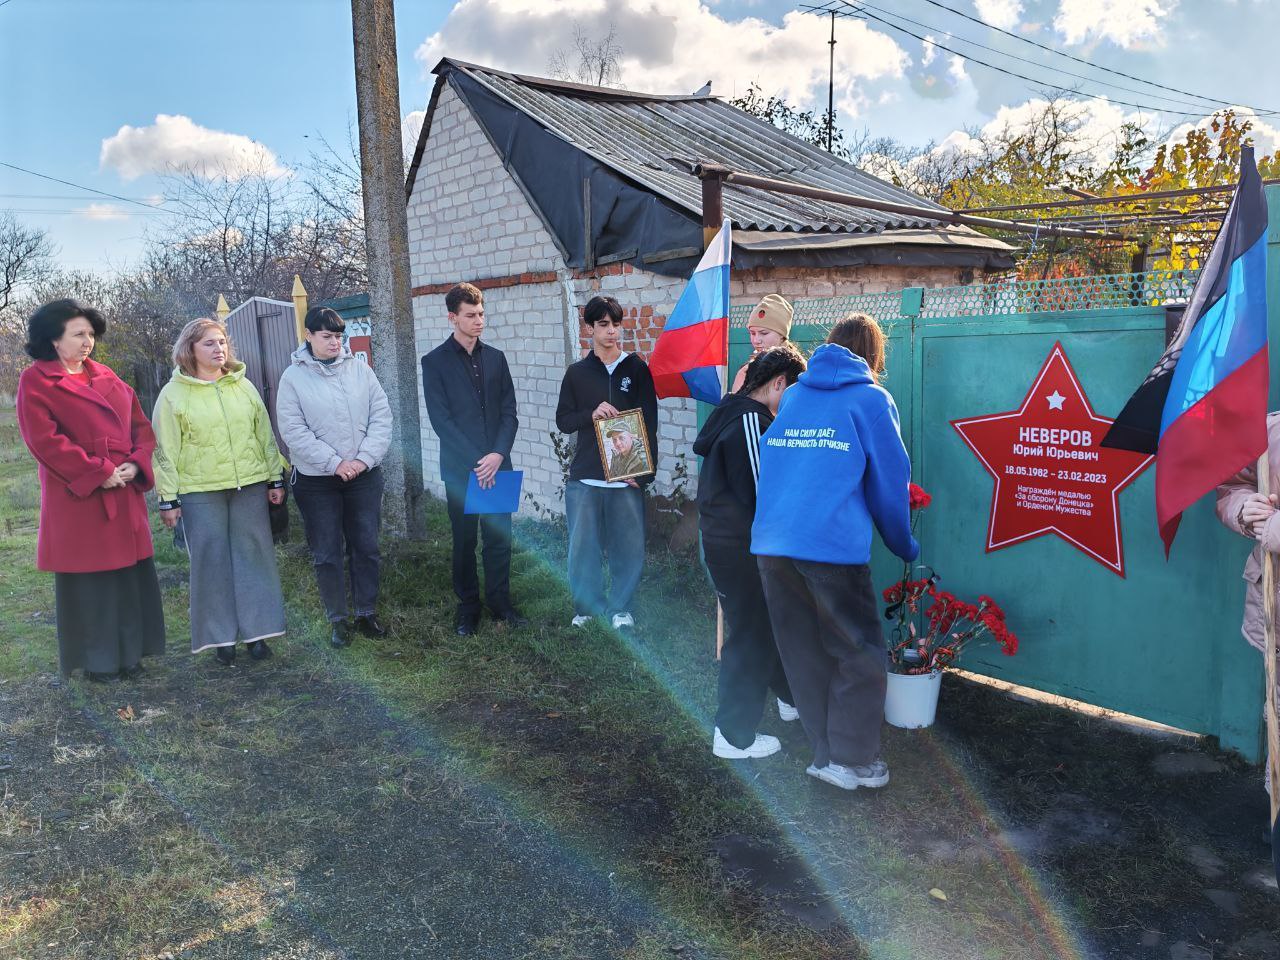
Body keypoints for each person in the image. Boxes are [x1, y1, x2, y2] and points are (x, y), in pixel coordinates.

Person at [751, 313, 919, 791]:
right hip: (830, 549)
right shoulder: (872, 400)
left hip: (773, 545)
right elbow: (890, 484)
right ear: (874, 357)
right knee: (859, 653)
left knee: (803, 653)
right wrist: (903, 543)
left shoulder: (795, 395)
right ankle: (850, 760)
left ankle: (827, 754)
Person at [15, 299, 166, 682]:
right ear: (54, 339)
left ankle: (131, 656)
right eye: (78, 334)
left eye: (91, 334)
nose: (88, 342)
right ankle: (99, 663)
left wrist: (136, 463)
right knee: (92, 582)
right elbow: (44, 442)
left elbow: (141, 427)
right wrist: (98, 472)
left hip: (123, 492)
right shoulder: (36, 380)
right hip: (79, 498)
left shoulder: (106, 375)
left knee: (128, 578)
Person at [694, 343, 808, 759]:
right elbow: (764, 494)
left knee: (764, 624)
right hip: (740, 547)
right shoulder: (750, 420)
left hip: (729, 541)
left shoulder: (735, 410)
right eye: (792, 391)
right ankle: (733, 735)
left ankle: (792, 698)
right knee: (750, 634)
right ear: (778, 383)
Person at [152, 318, 288, 665]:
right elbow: (165, 449)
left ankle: (257, 635)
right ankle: (221, 639)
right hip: (200, 492)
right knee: (211, 561)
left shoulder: (243, 386)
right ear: (190, 349)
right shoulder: (173, 394)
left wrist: (274, 478)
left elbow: (264, 435)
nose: (218, 349)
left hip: (249, 487)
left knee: (254, 557)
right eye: (209, 343)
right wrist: (168, 498)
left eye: (222, 342)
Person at [277, 306, 393, 648]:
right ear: (308, 336)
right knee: (327, 551)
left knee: (366, 546)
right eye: (326, 336)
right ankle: (338, 620)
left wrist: (362, 460)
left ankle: (366, 613)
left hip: (363, 476)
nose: (334, 343)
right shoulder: (292, 378)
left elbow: (381, 417)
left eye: (339, 337)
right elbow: (293, 430)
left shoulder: (361, 371)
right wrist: (334, 463)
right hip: (317, 481)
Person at [421, 283, 523, 637]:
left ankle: (500, 603)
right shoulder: (434, 362)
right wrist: (480, 462)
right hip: (461, 470)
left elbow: (509, 412)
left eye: (481, 313)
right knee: (464, 542)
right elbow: (441, 421)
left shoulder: (496, 358)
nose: (479, 320)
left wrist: (497, 455)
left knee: (499, 540)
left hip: (499, 464)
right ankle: (468, 608)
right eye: (471, 315)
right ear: (453, 317)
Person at [555, 295, 658, 632]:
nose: (611, 331)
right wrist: (591, 414)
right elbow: (563, 420)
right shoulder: (577, 373)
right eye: (603, 324)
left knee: (627, 547)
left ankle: (621, 609)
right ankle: (586, 607)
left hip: (626, 477)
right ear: (590, 328)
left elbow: (650, 423)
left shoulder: (637, 369)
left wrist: (645, 474)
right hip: (586, 477)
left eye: (616, 324)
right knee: (583, 548)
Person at [1215, 417, 1280, 871]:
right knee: (1277, 708)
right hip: (1274, 609)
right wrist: (1246, 509)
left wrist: (1274, 528)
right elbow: (1231, 485)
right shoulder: (1270, 431)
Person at [729, 294, 793, 393]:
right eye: (752, 333)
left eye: (764, 333)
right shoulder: (746, 372)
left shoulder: (796, 370)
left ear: (782, 335)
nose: (756, 340)